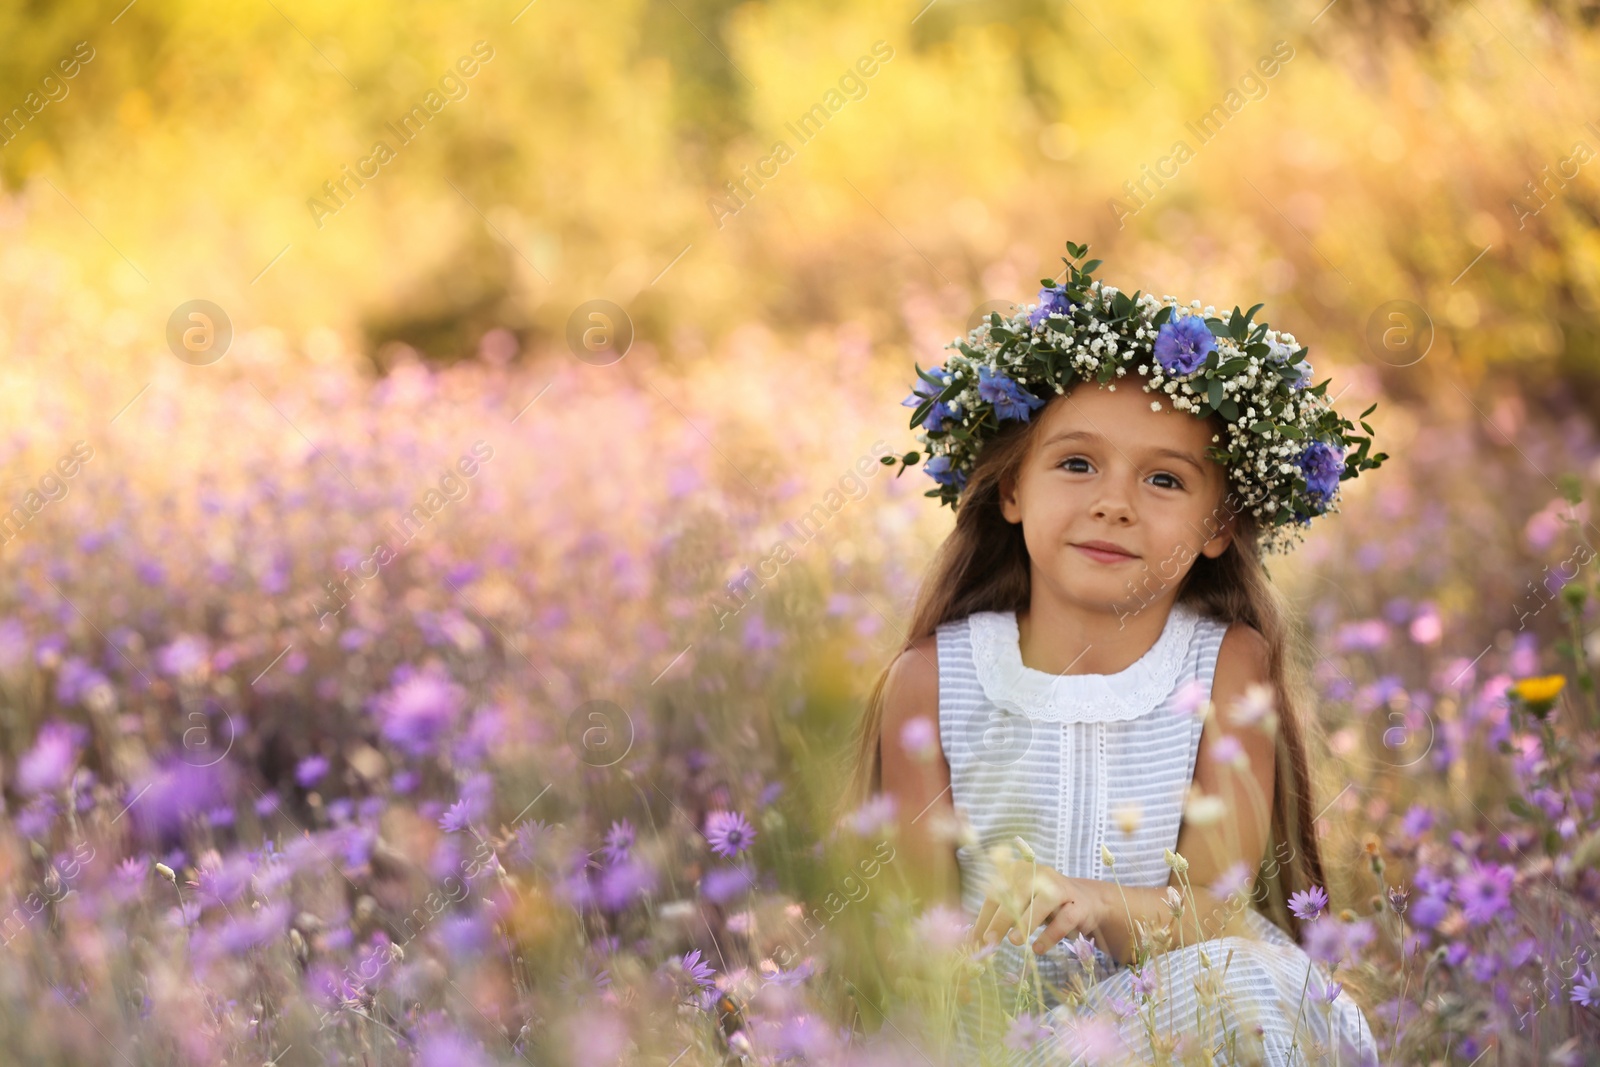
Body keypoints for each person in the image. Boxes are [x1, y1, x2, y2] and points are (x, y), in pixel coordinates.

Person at [842, 242, 1387, 1064]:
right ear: (1013, 489)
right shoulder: (932, 679)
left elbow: (1218, 908)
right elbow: (918, 927)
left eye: (1164, 480)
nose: (1113, 504)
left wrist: (1092, 901)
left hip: (1183, 1003)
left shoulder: (1223, 664)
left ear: (1217, 528)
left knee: (1249, 983)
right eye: (1077, 463)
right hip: (1005, 1031)